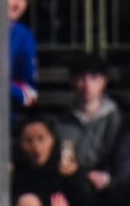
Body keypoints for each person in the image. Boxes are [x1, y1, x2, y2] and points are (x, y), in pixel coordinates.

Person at [48, 53, 121, 181]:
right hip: (72, 182)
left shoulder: (116, 119)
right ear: (72, 81)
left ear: (104, 81)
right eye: (81, 78)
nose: (87, 85)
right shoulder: (61, 121)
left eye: (94, 78)